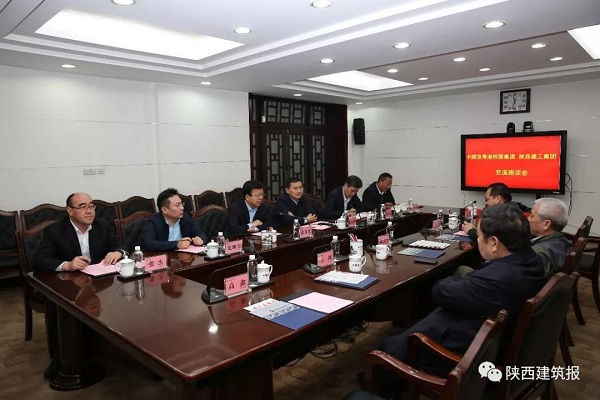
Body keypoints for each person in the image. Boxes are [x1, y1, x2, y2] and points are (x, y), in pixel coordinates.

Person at [379, 204, 546, 379]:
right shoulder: (533, 262)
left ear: (494, 243)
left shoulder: (496, 280)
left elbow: (440, 291)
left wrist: (456, 279)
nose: (478, 240)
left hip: (462, 359)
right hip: (489, 336)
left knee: (388, 350)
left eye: (479, 236)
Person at [33, 192, 126, 380]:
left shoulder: (101, 225)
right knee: (57, 305)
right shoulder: (55, 231)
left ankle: (104, 348)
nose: (89, 211)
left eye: (91, 206)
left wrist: (119, 252)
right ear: (70, 211)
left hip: (96, 282)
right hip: (66, 284)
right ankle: (61, 359)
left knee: (118, 298)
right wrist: (66, 265)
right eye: (82, 207)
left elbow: (121, 244)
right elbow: (39, 260)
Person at [529, 198, 572, 277]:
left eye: (532, 216)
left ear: (546, 224)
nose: (528, 219)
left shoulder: (537, 254)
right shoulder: (562, 241)